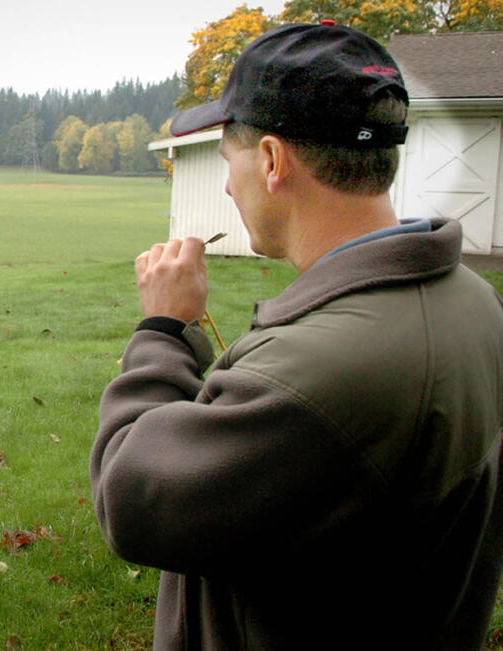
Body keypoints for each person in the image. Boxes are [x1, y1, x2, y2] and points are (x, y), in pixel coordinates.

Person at [89, 21, 503, 650]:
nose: (228, 185)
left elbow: (132, 496)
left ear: (273, 161)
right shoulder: (470, 299)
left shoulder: (321, 374)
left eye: (230, 161)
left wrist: (162, 328)